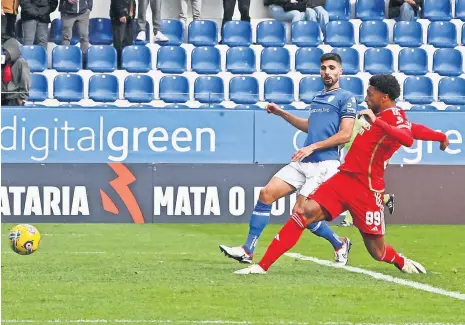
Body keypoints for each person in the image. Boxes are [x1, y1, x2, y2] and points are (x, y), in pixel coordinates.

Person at [234, 74, 450, 275]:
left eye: (370, 93)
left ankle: (400, 261)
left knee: (377, 252)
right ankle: (261, 267)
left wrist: (378, 123)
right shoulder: (387, 115)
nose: (366, 98)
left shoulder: (389, 117)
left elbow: (407, 138)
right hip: (344, 178)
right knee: (304, 212)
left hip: (367, 190)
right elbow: (414, 129)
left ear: (384, 97)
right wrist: (440, 137)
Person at [219, 53, 356, 266]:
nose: (327, 72)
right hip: (304, 161)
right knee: (266, 194)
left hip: (325, 165)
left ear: (340, 71)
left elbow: (345, 134)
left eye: (331, 68)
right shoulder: (318, 97)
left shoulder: (346, 97)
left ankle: (339, 243)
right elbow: (311, 127)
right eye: (323, 68)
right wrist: (281, 113)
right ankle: (248, 250)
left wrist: (312, 146)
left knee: (301, 214)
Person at [1, 38, 31, 106]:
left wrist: (22, 97)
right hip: (4, 97)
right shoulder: (5, 63)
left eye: (6, 50)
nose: (4, 52)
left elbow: (25, 80)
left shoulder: (21, 62)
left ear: (13, 50)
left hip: (15, 98)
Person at [110, 0, 135, 69]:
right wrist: (121, 14)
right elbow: (116, 2)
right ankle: (119, 66)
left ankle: (126, 64)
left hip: (129, 17)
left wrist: (132, 14)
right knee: (119, 43)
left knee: (128, 42)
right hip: (120, 17)